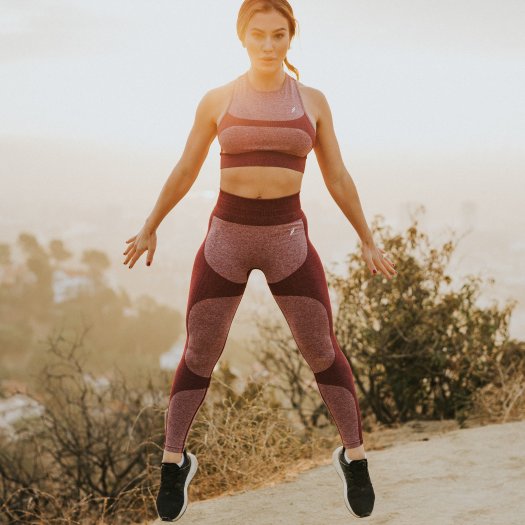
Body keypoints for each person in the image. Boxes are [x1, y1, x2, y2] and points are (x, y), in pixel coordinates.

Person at [123, 0, 397, 521]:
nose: (269, 45)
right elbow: (186, 167)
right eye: (258, 36)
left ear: (291, 38)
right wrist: (150, 223)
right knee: (200, 350)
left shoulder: (313, 101)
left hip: (287, 239)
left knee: (320, 347)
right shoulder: (217, 99)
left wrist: (367, 237)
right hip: (227, 236)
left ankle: (354, 456)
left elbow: (337, 176)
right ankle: (173, 462)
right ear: (241, 38)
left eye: (278, 35)